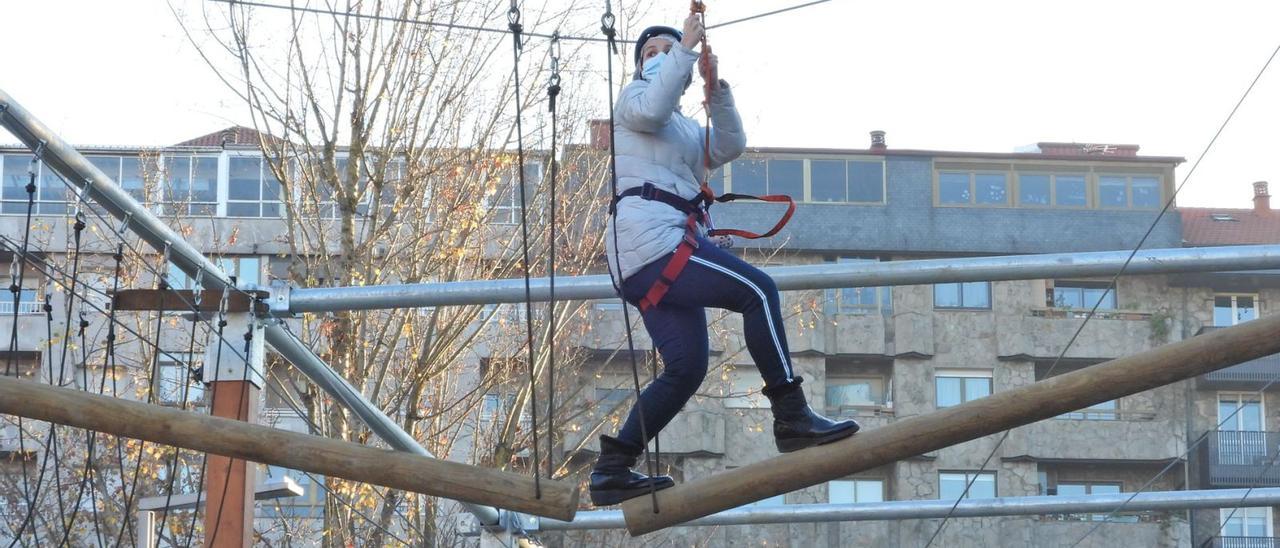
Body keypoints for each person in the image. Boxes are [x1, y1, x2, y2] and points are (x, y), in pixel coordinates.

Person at [590, 14, 860, 507]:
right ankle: (792, 414)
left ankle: (613, 468)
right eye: (652, 52)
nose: (660, 56)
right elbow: (653, 107)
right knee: (758, 291)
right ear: (640, 66)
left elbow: (729, 145)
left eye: (667, 50)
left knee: (687, 367)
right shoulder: (632, 102)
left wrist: (718, 91)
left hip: (656, 248)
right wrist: (685, 50)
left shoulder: (687, 129)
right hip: (651, 243)